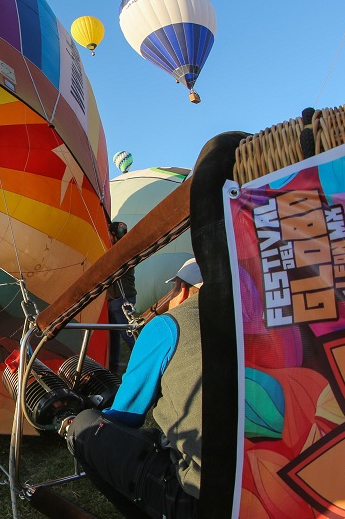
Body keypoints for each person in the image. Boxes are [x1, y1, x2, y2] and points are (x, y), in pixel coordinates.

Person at [61, 258, 204, 519]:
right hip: (269, 487)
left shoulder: (168, 325)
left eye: (172, 290)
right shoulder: (255, 321)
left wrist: (81, 416)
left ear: (181, 291)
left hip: (201, 498)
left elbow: (126, 416)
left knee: (85, 428)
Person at [106, 221, 136, 373]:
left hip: (121, 301)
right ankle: (113, 368)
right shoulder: (127, 246)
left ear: (112, 235)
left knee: (129, 335)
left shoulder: (119, 251)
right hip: (116, 300)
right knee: (115, 337)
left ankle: (144, 365)